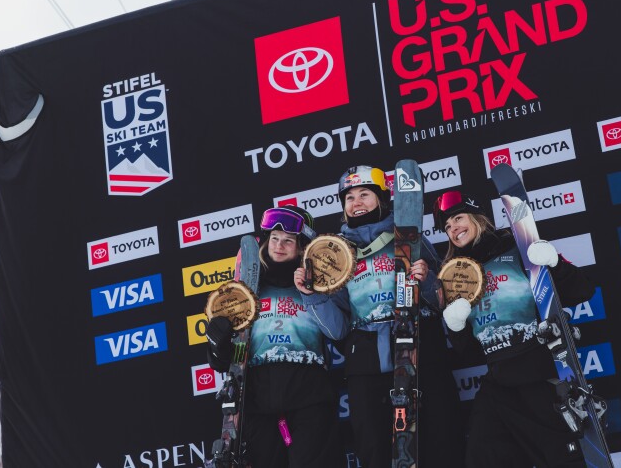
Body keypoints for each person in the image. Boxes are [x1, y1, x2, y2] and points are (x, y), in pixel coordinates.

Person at [295, 165, 463, 468]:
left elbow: (447, 300)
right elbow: (337, 330)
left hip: (422, 350)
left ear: (382, 199)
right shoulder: (337, 256)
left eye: (364, 194)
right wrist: (313, 295)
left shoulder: (409, 237)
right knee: (374, 449)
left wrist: (426, 283)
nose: (356, 202)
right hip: (367, 363)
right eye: (349, 198)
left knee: (440, 441)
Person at [432, 189, 595, 468]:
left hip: (539, 372)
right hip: (498, 382)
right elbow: (468, 350)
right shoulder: (455, 275)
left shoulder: (515, 247)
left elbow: (582, 290)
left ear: (476, 216)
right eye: (446, 226)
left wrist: (554, 263)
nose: (453, 229)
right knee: (482, 457)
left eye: (458, 218)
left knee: (563, 458)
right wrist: (456, 326)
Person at [206, 205, 343, 468]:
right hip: (258, 401)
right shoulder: (245, 291)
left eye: (288, 240)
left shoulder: (319, 285)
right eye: (274, 238)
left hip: (310, 397)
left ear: (302, 246)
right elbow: (225, 362)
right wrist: (218, 340)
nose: (279, 246)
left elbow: (338, 332)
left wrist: (311, 293)